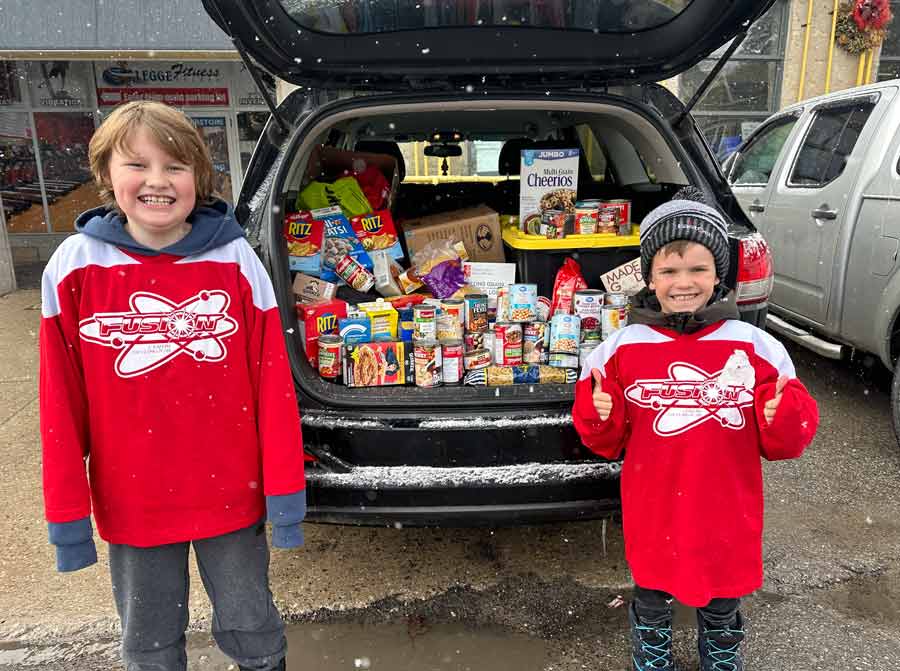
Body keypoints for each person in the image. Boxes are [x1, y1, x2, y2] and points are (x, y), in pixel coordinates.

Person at [39, 100, 305, 671]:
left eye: (175, 166)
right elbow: (60, 406)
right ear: (105, 173)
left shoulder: (236, 260)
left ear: (199, 178)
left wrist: (284, 495)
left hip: (231, 496)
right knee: (150, 639)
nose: (157, 181)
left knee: (254, 627)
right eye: (137, 164)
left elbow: (273, 390)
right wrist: (67, 516)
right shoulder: (74, 266)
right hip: (133, 501)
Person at [572, 188, 819, 671]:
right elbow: (604, 440)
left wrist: (783, 416)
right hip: (654, 500)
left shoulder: (756, 346)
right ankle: (651, 648)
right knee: (652, 587)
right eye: (669, 271)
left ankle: (721, 650)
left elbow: (786, 441)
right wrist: (600, 412)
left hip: (727, 501)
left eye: (698, 269)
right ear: (649, 277)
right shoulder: (620, 348)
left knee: (723, 589)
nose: (683, 283)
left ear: (718, 275)